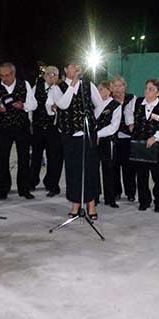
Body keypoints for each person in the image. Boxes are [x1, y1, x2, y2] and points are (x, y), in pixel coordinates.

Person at [48, 61, 103, 218]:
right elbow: (63, 105)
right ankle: (75, 204)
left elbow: (99, 105)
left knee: (90, 169)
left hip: (87, 134)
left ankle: (91, 204)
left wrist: (92, 121)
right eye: (73, 66)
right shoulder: (57, 88)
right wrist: (73, 83)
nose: (77, 68)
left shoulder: (88, 85)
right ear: (66, 69)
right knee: (73, 170)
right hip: (70, 136)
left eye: (79, 66)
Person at [0, 62, 37, 200]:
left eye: (7, 75)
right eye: (1, 76)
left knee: (24, 159)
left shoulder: (24, 84)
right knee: (2, 159)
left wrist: (23, 105)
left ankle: (24, 189)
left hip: (22, 127)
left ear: (13, 74)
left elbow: (34, 104)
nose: (4, 78)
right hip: (3, 127)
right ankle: (3, 189)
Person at [125, 79, 159, 212]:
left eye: (151, 89)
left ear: (158, 93)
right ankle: (144, 200)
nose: (147, 91)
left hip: (157, 146)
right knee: (141, 175)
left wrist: (155, 137)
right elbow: (127, 111)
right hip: (139, 144)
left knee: (158, 176)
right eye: (146, 88)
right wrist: (130, 124)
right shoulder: (136, 102)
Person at [30, 65, 63, 196]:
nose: (52, 77)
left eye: (55, 75)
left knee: (53, 157)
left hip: (52, 128)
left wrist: (58, 107)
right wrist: (31, 123)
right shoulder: (36, 88)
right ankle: (32, 182)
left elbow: (63, 105)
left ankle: (52, 184)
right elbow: (31, 105)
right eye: (49, 74)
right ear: (44, 76)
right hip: (38, 126)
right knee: (36, 156)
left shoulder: (59, 89)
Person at [95, 80, 122, 208]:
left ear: (109, 90)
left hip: (107, 140)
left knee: (109, 170)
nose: (100, 92)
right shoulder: (94, 105)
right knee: (94, 169)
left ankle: (110, 198)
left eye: (103, 89)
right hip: (94, 141)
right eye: (98, 89)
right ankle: (94, 196)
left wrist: (99, 134)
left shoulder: (115, 105)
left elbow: (114, 126)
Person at [110, 75, 137, 202]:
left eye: (120, 85)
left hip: (127, 138)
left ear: (125, 87)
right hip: (113, 139)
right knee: (114, 167)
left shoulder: (132, 99)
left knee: (129, 168)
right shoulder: (108, 100)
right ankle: (116, 192)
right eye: (115, 86)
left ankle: (130, 192)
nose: (118, 89)